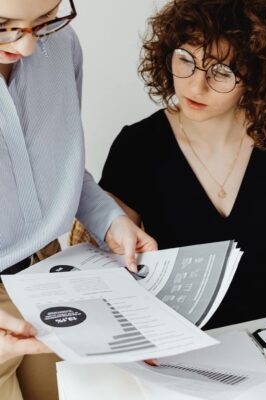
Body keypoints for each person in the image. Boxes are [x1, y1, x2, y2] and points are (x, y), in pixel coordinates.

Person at [100, 0, 266, 331]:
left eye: (221, 72)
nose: (196, 86)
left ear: (257, 75)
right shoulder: (138, 146)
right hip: (176, 332)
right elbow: (112, 264)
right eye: (186, 60)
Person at [0, 0, 157, 399]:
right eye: (3, 25)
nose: (28, 47)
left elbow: (57, 164)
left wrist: (108, 218)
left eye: (45, 19)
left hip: (50, 275)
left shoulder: (62, 45)